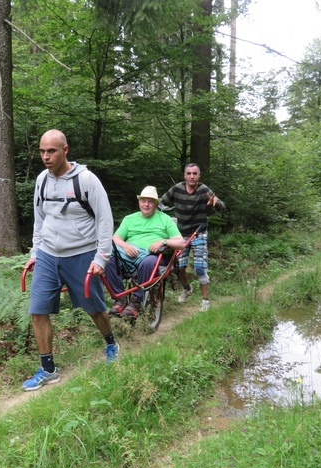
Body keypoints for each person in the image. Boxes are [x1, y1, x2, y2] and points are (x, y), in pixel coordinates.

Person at [22, 129, 117, 391]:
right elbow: (40, 220)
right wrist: (34, 253)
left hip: (82, 255)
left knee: (94, 308)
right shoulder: (42, 180)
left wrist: (101, 258)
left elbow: (105, 220)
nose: (45, 156)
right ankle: (48, 369)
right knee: (38, 311)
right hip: (48, 256)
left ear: (66, 150)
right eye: (42, 151)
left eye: (51, 151)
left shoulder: (86, 180)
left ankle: (110, 342)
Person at [106, 186, 186, 318]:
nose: (146, 204)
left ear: (155, 204)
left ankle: (136, 301)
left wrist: (163, 242)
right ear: (139, 202)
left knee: (147, 262)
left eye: (150, 201)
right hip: (129, 254)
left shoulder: (165, 219)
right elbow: (115, 238)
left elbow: (181, 243)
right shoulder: (129, 219)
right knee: (108, 260)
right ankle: (120, 299)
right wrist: (125, 246)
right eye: (143, 201)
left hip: (153, 256)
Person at [159, 163, 226, 312]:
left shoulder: (204, 190)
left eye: (194, 173)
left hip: (199, 232)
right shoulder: (176, 189)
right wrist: (160, 215)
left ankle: (205, 301)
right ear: (184, 175)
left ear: (199, 175)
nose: (191, 176)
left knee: (200, 268)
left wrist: (215, 203)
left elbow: (222, 205)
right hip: (180, 234)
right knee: (179, 268)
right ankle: (187, 289)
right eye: (188, 173)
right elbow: (160, 204)